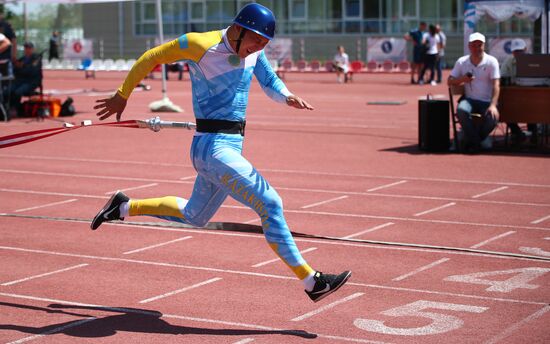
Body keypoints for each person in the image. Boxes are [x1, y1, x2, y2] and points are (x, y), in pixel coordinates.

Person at [92, 3, 351, 303]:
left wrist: (287, 96)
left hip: (230, 146)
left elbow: (269, 81)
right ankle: (311, 281)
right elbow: (152, 56)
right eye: (256, 41)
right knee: (270, 203)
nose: (258, 48)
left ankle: (122, 207)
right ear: (239, 29)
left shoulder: (254, 50)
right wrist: (122, 94)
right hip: (212, 148)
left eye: (265, 44)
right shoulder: (199, 44)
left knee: (195, 215)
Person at [448, 32, 500, 153]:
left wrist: (493, 105)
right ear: (469, 46)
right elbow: (449, 81)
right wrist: (463, 79)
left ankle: (470, 140)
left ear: (484, 46)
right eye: (474, 45)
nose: (477, 48)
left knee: (493, 117)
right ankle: (477, 141)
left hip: (487, 101)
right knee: (461, 110)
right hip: (470, 99)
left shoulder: (492, 61)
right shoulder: (462, 61)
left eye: (479, 45)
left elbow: (496, 84)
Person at [500, 38, 537, 144]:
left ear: (525, 49)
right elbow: (502, 77)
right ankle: (517, 132)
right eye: (516, 51)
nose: (518, 53)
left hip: (531, 97)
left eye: (520, 51)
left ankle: (532, 133)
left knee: (535, 107)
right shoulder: (508, 61)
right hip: (514, 97)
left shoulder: (535, 61)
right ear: (512, 52)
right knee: (504, 108)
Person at [8, 42, 41, 116]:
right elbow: (15, 71)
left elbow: (32, 71)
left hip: (32, 82)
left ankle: (17, 109)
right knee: (9, 90)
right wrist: (16, 65)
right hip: (21, 81)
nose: (27, 50)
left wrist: (22, 67)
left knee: (18, 92)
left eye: (29, 48)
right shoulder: (22, 59)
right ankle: (10, 107)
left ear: (32, 49)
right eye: (26, 48)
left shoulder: (36, 58)